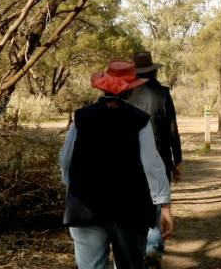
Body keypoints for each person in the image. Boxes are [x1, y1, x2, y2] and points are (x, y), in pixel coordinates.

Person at [60, 60, 175, 269]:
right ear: (130, 91)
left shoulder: (81, 117)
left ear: (103, 88)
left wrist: (71, 186)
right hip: (129, 210)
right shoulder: (139, 120)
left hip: (85, 207)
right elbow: (151, 165)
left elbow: (65, 159)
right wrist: (164, 205)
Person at [126, 50, 182, 267]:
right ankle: (154, 249)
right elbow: (173, 130)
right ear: (153, 71)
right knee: (157, 205)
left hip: (129, 159)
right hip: (160, 156)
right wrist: (177, 161)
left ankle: (139, 250)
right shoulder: (163, 94)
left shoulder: (127, 93)